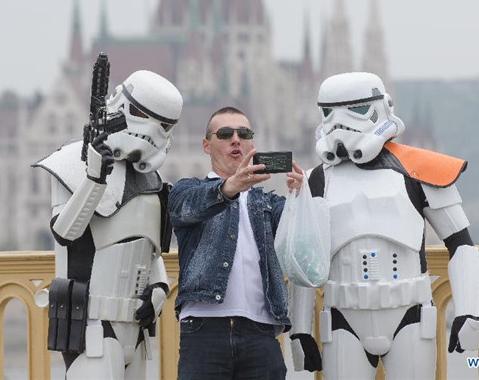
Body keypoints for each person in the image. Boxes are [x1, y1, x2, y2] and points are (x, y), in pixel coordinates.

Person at [289, 72, 479, 379]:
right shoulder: (317, 180)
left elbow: (461, 244)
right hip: (343, 317)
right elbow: (304, 260)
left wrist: (469, 311)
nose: (339, 124)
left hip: (410, 314)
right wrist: (299, 330)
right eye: (329, 113)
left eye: (354, 110)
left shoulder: (419, 171)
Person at [33, 69, 183, 379]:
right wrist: (93, 178)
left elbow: (150, 252)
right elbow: (64, 232)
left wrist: (158, 291)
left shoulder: (150, 179)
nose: (158, 131)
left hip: (136, 330)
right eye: (149, 117)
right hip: (92, 326)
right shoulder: (72, 160)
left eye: (167, 125)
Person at [168, 106, 303, 380]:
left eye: (244, 133)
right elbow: (184, 210)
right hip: (204, 331)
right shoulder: (187, 190)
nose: (236, 139)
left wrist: (302, 198)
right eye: (226, 133)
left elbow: (300, 240)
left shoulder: (268, 203)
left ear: (252, 142)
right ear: (206, 145)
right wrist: (229, 187)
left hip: (261, 333)